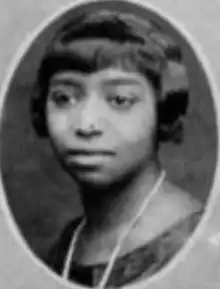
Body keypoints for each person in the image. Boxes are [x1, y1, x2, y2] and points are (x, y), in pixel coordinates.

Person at [31, 9, 203, 288]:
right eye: (64, 98)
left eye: (120, 100)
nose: (86, 125)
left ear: (163, 109)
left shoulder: (194, 243)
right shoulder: (71, 241)